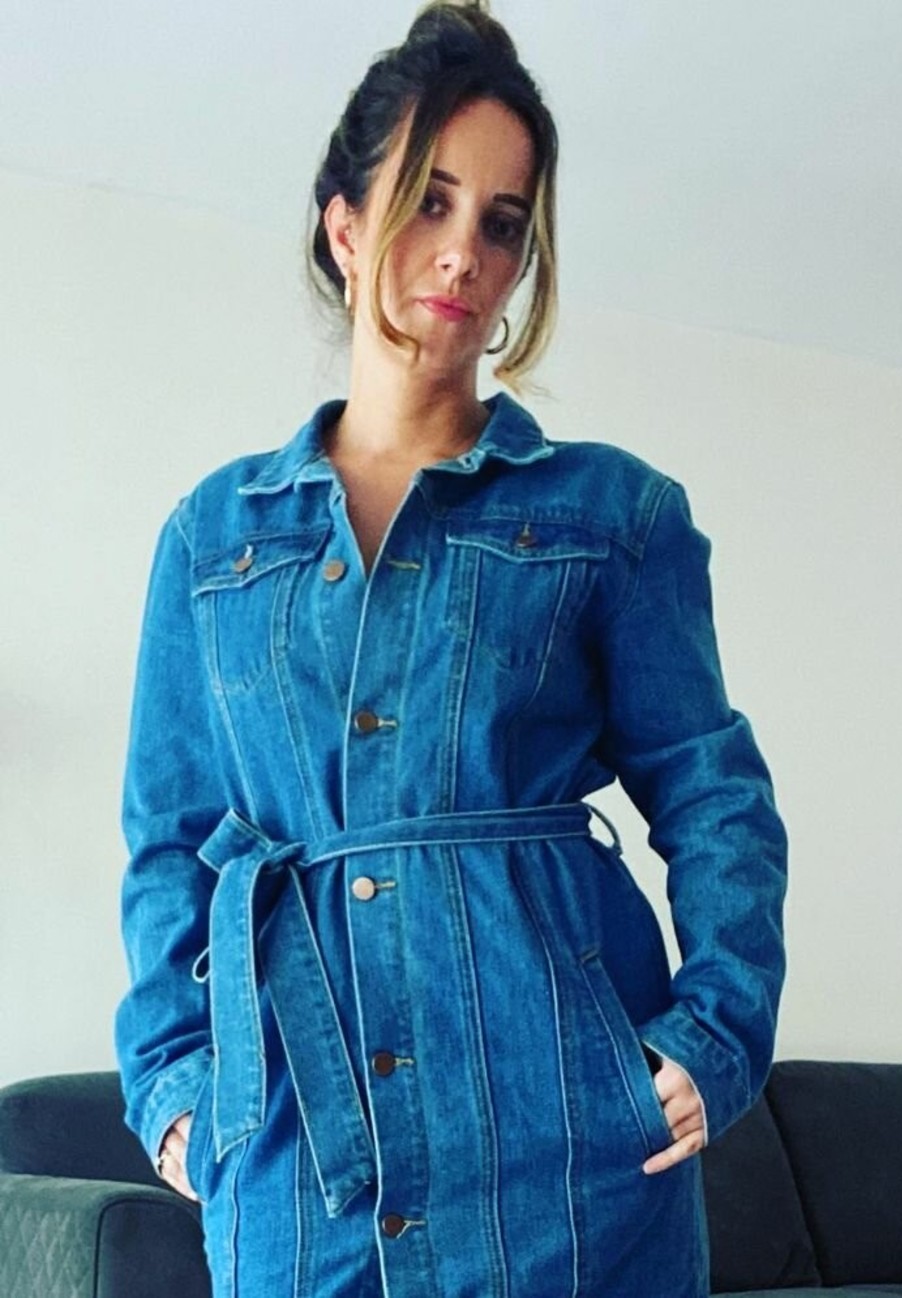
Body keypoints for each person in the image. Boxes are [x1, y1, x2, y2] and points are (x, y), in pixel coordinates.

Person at [113, 3, 788, 1295]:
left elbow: (716, 795)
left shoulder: (611, 514)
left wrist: (716, 1031)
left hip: (567, 1139)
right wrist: (175, 1080)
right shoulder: (213, 537)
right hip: (296, 1147)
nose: (465, 251)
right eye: (429, 201)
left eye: (502, 221)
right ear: (345, 223)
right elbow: (168, 839)